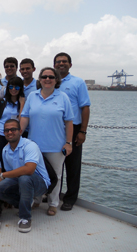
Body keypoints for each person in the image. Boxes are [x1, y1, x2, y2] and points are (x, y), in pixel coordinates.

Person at [20, 67, 74, 216]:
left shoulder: (63, 97)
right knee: (35, 174)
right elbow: (25, 116)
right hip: (34, 145)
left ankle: (53, 203)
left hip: (55, 145)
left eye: (51, 77)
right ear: (40, 79)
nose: (47, 79)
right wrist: (18, 132)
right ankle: (36, 200)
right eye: (44, 77)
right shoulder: (32, 96)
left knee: (56, 176)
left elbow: (69, 121)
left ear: (56, 80)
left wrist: (68, 142)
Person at [0, 119, 51, 233]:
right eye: (7, 130)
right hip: (21, 181)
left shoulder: (30, 145)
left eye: (13, 129)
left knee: (25, 178)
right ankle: (26, 202)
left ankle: (25, 218)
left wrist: (1, 175)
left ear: (20, 131)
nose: (10, 132)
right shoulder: (5, 150)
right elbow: (12, 176)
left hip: (39, 183)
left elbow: (29, 170)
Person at [54, 52, 91, 211]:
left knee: (72, 166)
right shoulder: (50, 82)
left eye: (64, 61)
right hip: (55, 129)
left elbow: (85, 107)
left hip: (74, 128)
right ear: (54, 64)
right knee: (55, 165)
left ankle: (70, 198)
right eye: (58, 62)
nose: (61, 64)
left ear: (70, 64)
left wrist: (83, 131)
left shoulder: (78, 83)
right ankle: (53, 195)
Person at [0, 77, 25, 169]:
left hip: (15, 135)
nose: (14, 89)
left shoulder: (23, 103)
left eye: (17, 87)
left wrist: (22, 104)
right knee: (0, 159)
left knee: (14, 160)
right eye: (11, 87)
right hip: (0, 135)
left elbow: (21, 119)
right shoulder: (1, 102)